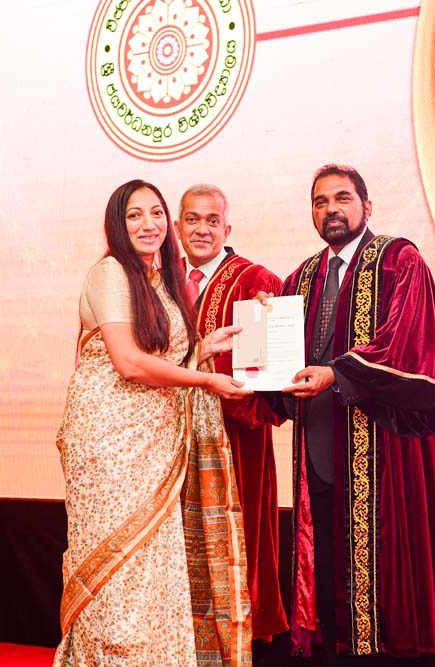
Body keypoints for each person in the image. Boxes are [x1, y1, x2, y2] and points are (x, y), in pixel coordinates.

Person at [53, 180, 253, 667]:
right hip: (108, 444)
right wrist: (206, 381)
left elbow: (160, 355)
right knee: (117, 564)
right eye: (135, 215)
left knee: (155, 563)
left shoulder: (160, 280)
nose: (149, 225)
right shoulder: (110, 273)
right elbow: (129, 363)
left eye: (157, 213)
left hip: (155, 445)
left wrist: (205, 348)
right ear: (117, 225)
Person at [271, 164, 435, 665]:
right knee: (325, 568)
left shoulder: (399, 261)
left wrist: (337, 374)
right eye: (320, 201)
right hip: (317, 449)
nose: (331, 209)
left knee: (383, 574)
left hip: (380, 452)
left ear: (367, 206)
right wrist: (260, 352)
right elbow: (283, 365)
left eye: (342, 198)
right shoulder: (300, 278)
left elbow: (405, 343)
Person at [175, 184, 288, 656]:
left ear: (227, 227)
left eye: (212, 220)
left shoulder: (253, 280)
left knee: (235, 546)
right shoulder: (160, 281)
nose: (202, 229)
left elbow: (273, 375)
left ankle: (235, 645)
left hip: (233, 436)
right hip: (170, 438)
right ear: (178, 226)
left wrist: (235, 398)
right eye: (192, 219)